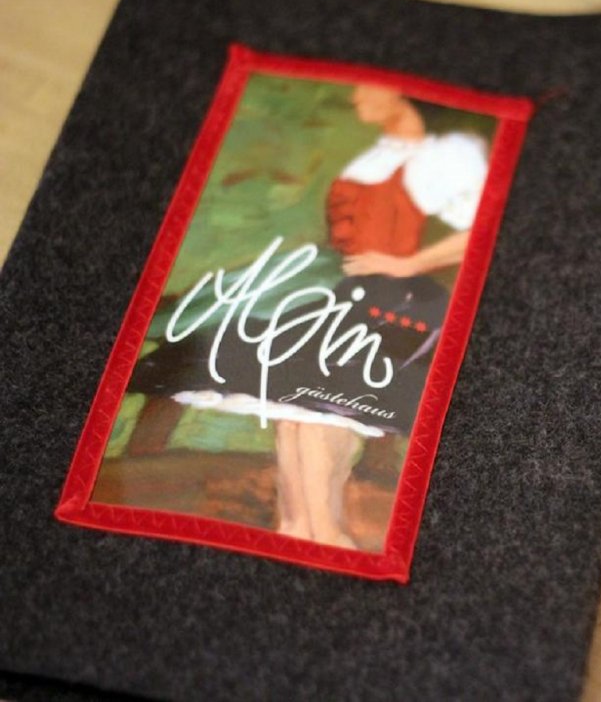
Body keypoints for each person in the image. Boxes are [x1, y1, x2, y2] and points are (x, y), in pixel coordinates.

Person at [129, 83, 490, 550]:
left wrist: (408, 264)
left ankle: (330, 532)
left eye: (367, 89)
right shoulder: (380, 153)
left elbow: (483, 229)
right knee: (292, 407)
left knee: (325, 410)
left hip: (389, 298)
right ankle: (297, 527)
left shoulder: (447, 155)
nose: (356, 98)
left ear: (403, 94)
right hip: (338, 284)